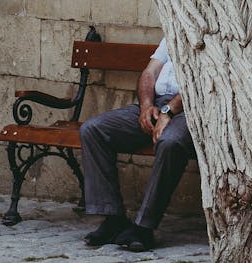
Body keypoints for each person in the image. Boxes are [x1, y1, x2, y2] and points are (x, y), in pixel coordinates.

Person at [80, 38, 196, 251]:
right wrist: (146, 107)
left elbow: (203, 82)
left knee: (170, 142)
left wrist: (168, 111)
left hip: (191, 110)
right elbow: (149, 73)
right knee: (94, 129)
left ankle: (144, 228)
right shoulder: (172, 31)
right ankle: (114, 219)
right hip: (158, 104)